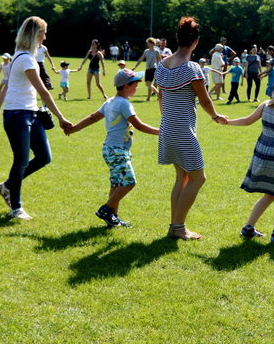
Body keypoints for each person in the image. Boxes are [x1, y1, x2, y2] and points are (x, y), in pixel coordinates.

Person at [0, 16, 72, 220]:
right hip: (17, 114)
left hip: (30, 113)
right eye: (43, 32)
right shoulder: (24, 57)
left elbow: (8, 85)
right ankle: (15, 208)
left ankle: (7, 186)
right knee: (22, 160)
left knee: (44, 157)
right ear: (35, 34)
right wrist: (61, 117)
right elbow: (42, 90)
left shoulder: (23, 55)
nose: (45, 35)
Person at [154, 17, 227, 240]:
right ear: (196, 41)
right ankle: (178, 227)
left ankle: (174, 226)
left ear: (177, 39)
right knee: (198, 178)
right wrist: (216, 116)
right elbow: (204, 100)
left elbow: (161, 95)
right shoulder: (192, 68)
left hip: (167, 127)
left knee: (182, 178)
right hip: (183, 131)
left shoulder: (162, 65)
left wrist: (166, 117)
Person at [66, 68, 159, 227]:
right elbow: (139, 125)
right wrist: (161, 132)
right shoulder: (124, 103)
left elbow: (92, 117)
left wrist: (73, 128)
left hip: (110, 149)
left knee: (116, 184)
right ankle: (106, 209)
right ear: (126, 86)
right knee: (129, 182)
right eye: (135, 84)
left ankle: (112, 218)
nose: (137, 87)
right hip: (117, 150)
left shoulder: (109, 102)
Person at [225, 75, 274, 245]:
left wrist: (228, 122)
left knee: (270, 194)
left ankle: (248, 228)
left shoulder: (264, 106)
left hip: (262, 152)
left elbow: (246, 121)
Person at [132, 37, 161, 101]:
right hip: (148, 68)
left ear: (152, 43)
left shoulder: (156, 51)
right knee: (148, 84)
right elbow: (141, 59)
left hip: (153, 68)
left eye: (148, 43)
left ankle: (158, 94)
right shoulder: (146, 51)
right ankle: (148, 98)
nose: (147, 44)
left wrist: (160, 69)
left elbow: (159, 61)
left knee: (148, 84)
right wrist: (135, 66)